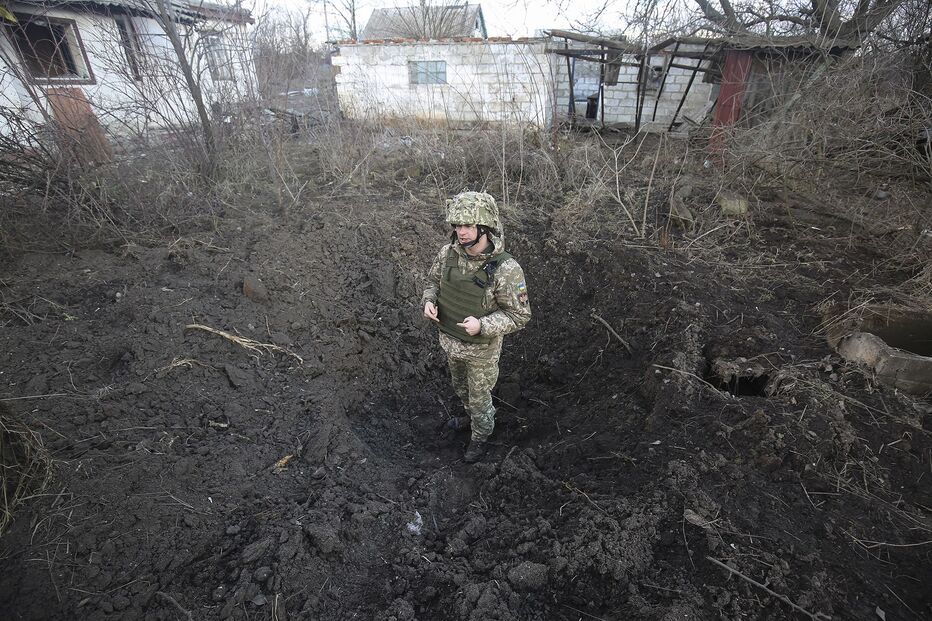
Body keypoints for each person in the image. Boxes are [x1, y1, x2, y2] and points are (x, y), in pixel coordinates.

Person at [422, 191, 531, 462]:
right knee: (461, 389)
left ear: (484, 227)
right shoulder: (448, 253)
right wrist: (428, 301)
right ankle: (470, 419)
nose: (462, 232)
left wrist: (483, 325)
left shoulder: (506, 269)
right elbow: (432, 282)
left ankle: (481, 436)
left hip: (481, 352)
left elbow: (519, 315)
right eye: (458, 225)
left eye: (469, 225)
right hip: (451, 342)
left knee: (480, 398)